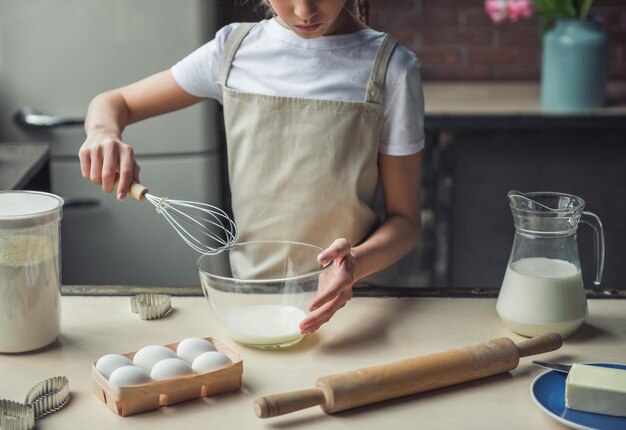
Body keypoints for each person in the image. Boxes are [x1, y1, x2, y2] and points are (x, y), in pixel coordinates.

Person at [79, 0, 424, 335]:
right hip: (253, 303)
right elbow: (114, 102)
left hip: (356, 303)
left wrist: (355, 264)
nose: (304, 11)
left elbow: (405, 222)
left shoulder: (391, 68)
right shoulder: (232, 51)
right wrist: (102, 132)